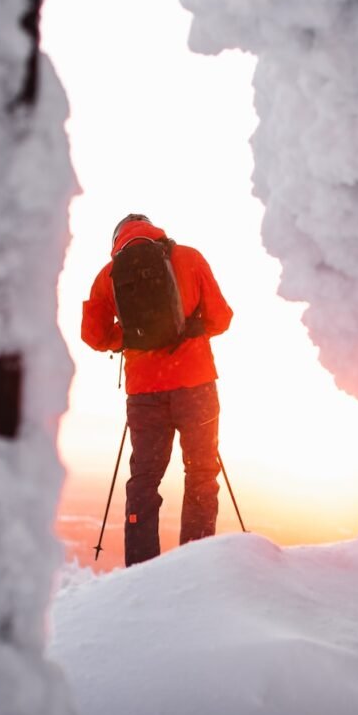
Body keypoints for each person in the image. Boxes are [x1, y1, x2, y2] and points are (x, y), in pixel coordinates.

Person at [81, 214, 233, 566]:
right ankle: (194, 562)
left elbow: (93, 335)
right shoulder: (190, 258)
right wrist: (187, 331)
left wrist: (131, 339)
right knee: (200, 473)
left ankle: (142, 568)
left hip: (145, 393)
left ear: (118, 240)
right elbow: (221, 317)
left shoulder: (109, 275)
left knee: (144, 481)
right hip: (195, 385)